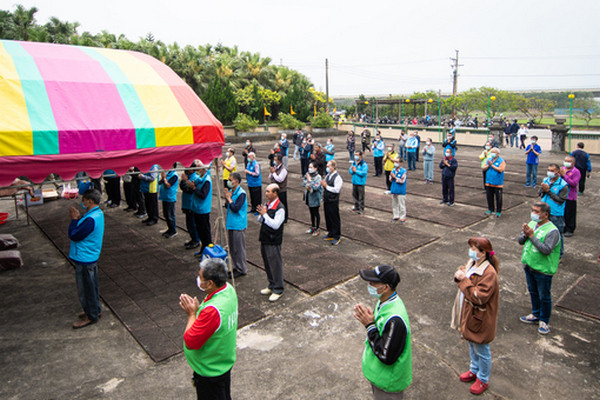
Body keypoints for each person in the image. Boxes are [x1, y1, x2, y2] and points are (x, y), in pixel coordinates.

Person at [180, 258, 238, 400]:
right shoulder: (228, 290)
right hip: (223, 362)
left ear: (210, 283)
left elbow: (191, 341)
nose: (199, 280)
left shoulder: (213, 311)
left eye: (201, 277)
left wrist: (192, 314)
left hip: (210, 370)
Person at [354, 265, 412, 399]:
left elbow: (386, 355)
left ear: (386, 287)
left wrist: (369, 325)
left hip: (388, 383)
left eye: (373, 283)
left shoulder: (395, 319)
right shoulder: (384, 302)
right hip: (379, 376)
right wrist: (373, 322)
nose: (369, 285)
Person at [451, 237, 499, 396]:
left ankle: (483, 379)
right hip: (468, 312)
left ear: (483, 253)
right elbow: (467, 274)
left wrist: (463, 281)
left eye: (474, 249)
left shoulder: (489, 272)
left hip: (479, 315)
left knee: (481, 347)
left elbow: (480, 296)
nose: (471, 251)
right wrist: (461, 273)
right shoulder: (473, 262)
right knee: (471, 342)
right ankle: (474, 370)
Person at [518, 202, 561, 335]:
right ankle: (535, 314)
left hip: (543, 270)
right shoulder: (532, 224)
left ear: (545, 214)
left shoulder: (552, 231)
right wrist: (525, 235)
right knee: (533, 291)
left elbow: (546, 249)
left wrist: (531, 236)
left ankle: (544, 320)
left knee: (544, 296)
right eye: (533, 210)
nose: (533, 214)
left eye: (536, 211)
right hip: (529, 265)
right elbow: (520, 241)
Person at [68, 189, 105, 329]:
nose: (82, 202)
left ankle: (91, 315)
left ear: (90, 201)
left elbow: (74, 234)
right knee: (92, 286)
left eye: (84, 200)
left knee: (86, 288)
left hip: (85, 257)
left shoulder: (91, 218)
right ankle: (95, 309)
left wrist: (73, 220)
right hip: (90, 255)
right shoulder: (97, 214)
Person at [257, 184, 286, 302]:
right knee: (267, 264)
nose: (266, 193)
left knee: (275, 264)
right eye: (266, 191)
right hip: (265, 238)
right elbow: (261, 220)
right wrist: (261, 215)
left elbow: (275, 225)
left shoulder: (280, 208)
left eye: (269, 192)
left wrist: (265, 215)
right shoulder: (267, 204)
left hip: (273, 240)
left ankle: (278, 288)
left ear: (275, 193)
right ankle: (271, 284)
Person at [539, 164, 568, 258]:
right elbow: (540, 194)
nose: (549, 172)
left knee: (558, 234)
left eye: (552, 170)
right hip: (544, 210)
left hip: (556, 212)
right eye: (548, 170)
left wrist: (548, 191)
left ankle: (559, 254)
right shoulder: (546, 180)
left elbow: (561, 200)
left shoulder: (563, 185)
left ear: (558, 172)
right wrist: (542, 189)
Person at [224, 173, 248, 278]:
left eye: (231, 180)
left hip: (238, 224)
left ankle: (242, 268)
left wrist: (229, 199)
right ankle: (236, 266)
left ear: (236, 181)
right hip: (231, 223)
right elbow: (228, 206)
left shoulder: (241, 193)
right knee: (233, 248)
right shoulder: (232, 191)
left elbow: (235, 207)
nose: (229, 181)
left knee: (239, 248)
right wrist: (227, 199)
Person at [188, 162, 213, 256]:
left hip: (203, 209)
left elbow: (203, 195)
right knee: (200, 231)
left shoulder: (207, 180)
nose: (197, 170)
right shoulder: (200, 178)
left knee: (205, 232)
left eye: (199, 168)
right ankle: (203, 249)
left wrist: (194, 188)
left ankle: (208, 251)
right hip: (197, 208)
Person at [321, 160, 343, 246]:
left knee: (334, 218)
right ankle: (330, 233)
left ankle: (337, 236)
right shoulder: (327, 176)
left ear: (333, 167)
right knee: (328, 217)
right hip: (327, 199)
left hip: (333, 200)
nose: (327, 168)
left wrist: (326, 186)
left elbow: (336, 190)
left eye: (328, 166)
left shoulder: (338, 177)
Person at [180, 163, 200, 250]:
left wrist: (184, 181)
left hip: (191, 204)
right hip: (186, 204)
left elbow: (188, 189)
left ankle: (196, 240)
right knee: (189, 224)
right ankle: (193, 238)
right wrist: (183, 181)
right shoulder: (188, 177)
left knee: (193, 224)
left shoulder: (194, 178)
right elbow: (182, 187)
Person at [560, 156, 581, 238]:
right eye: (565, 161)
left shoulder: (576, 172)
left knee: (570, 213)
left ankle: (570, 229)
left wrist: (565, 176)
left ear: (573, 163)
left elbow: (573, 184)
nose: (566, 162)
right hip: (562, 195)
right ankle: (563, 227)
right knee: (563, 213)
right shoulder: (562, 169)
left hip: (570, 196)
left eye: (569, 161)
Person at [483, 148, 506, 218]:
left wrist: (492, 165)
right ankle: (490, 209)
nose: (492, 153)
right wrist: (488, 165)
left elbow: (501, 170)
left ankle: (498, 211)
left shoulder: (501, 161)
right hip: (489, 182)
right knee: (489, 197)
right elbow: (483, 168)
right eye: (492, 152)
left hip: (497, 183)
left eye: (494, 152)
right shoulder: (488, 160)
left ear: (498, 154)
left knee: (498, 198)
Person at [159, 163, 180, 239]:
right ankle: (169, 228)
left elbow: (168, 185)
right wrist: (162, 178)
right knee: (166, 214)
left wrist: (164, 178)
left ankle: (173, 230)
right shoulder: (168, 173)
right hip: (165, 197)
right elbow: (159, 183)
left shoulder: (174, 175)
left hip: (170, 198)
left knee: (170, 215)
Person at [303, 161, 323, 236]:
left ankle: (317, 228)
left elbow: (315, 187)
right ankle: (313, 227)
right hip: (309, 197)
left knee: (316, 213)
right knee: (311, 213)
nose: (309, 169)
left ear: (315, 168)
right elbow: (303, 183)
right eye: (309, 167)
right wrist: (308, 181)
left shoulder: (318, 177)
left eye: (311, 167)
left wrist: (309, 181)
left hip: (315, 198)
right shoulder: (308, 175)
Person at [269, 153, 288, 223]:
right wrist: (271, 173)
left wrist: (274, 173)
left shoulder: (283, 169)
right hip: (275, 189)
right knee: (275, 204)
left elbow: (280, 179)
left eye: (275, 160)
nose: (274, 161)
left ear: (279, 161)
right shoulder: (275, 167)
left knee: (283, 204)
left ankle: (285, 218)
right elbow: (270, 177)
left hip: (281, 189)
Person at [390, 158, 407, 223]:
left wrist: (395, 177)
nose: (395, 163)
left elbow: (402, 181)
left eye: (397, 162)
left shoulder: (404, 171)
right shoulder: (393, 170)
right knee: (394, 204)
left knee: (402, 205)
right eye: (395, 162)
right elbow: (390, 179)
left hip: (401, 190)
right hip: (394, 189)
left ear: (401, 163)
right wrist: (391, 177)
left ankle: (402, 217)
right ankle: (396, 216)